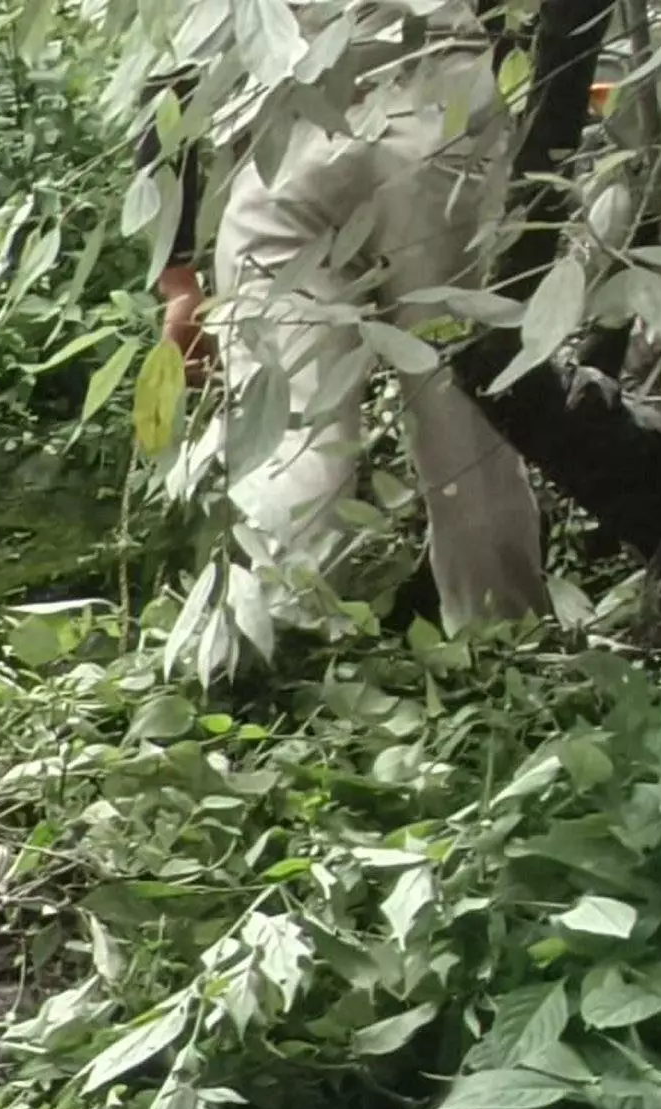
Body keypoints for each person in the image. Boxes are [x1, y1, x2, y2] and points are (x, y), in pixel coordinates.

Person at [164, 1, 546, 680]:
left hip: (281, 125)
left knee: (285, 423)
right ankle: (505, 656)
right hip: (436, 104)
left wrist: (177, 277)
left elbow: (173, 56)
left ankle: (290, 657)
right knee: (465, 416)